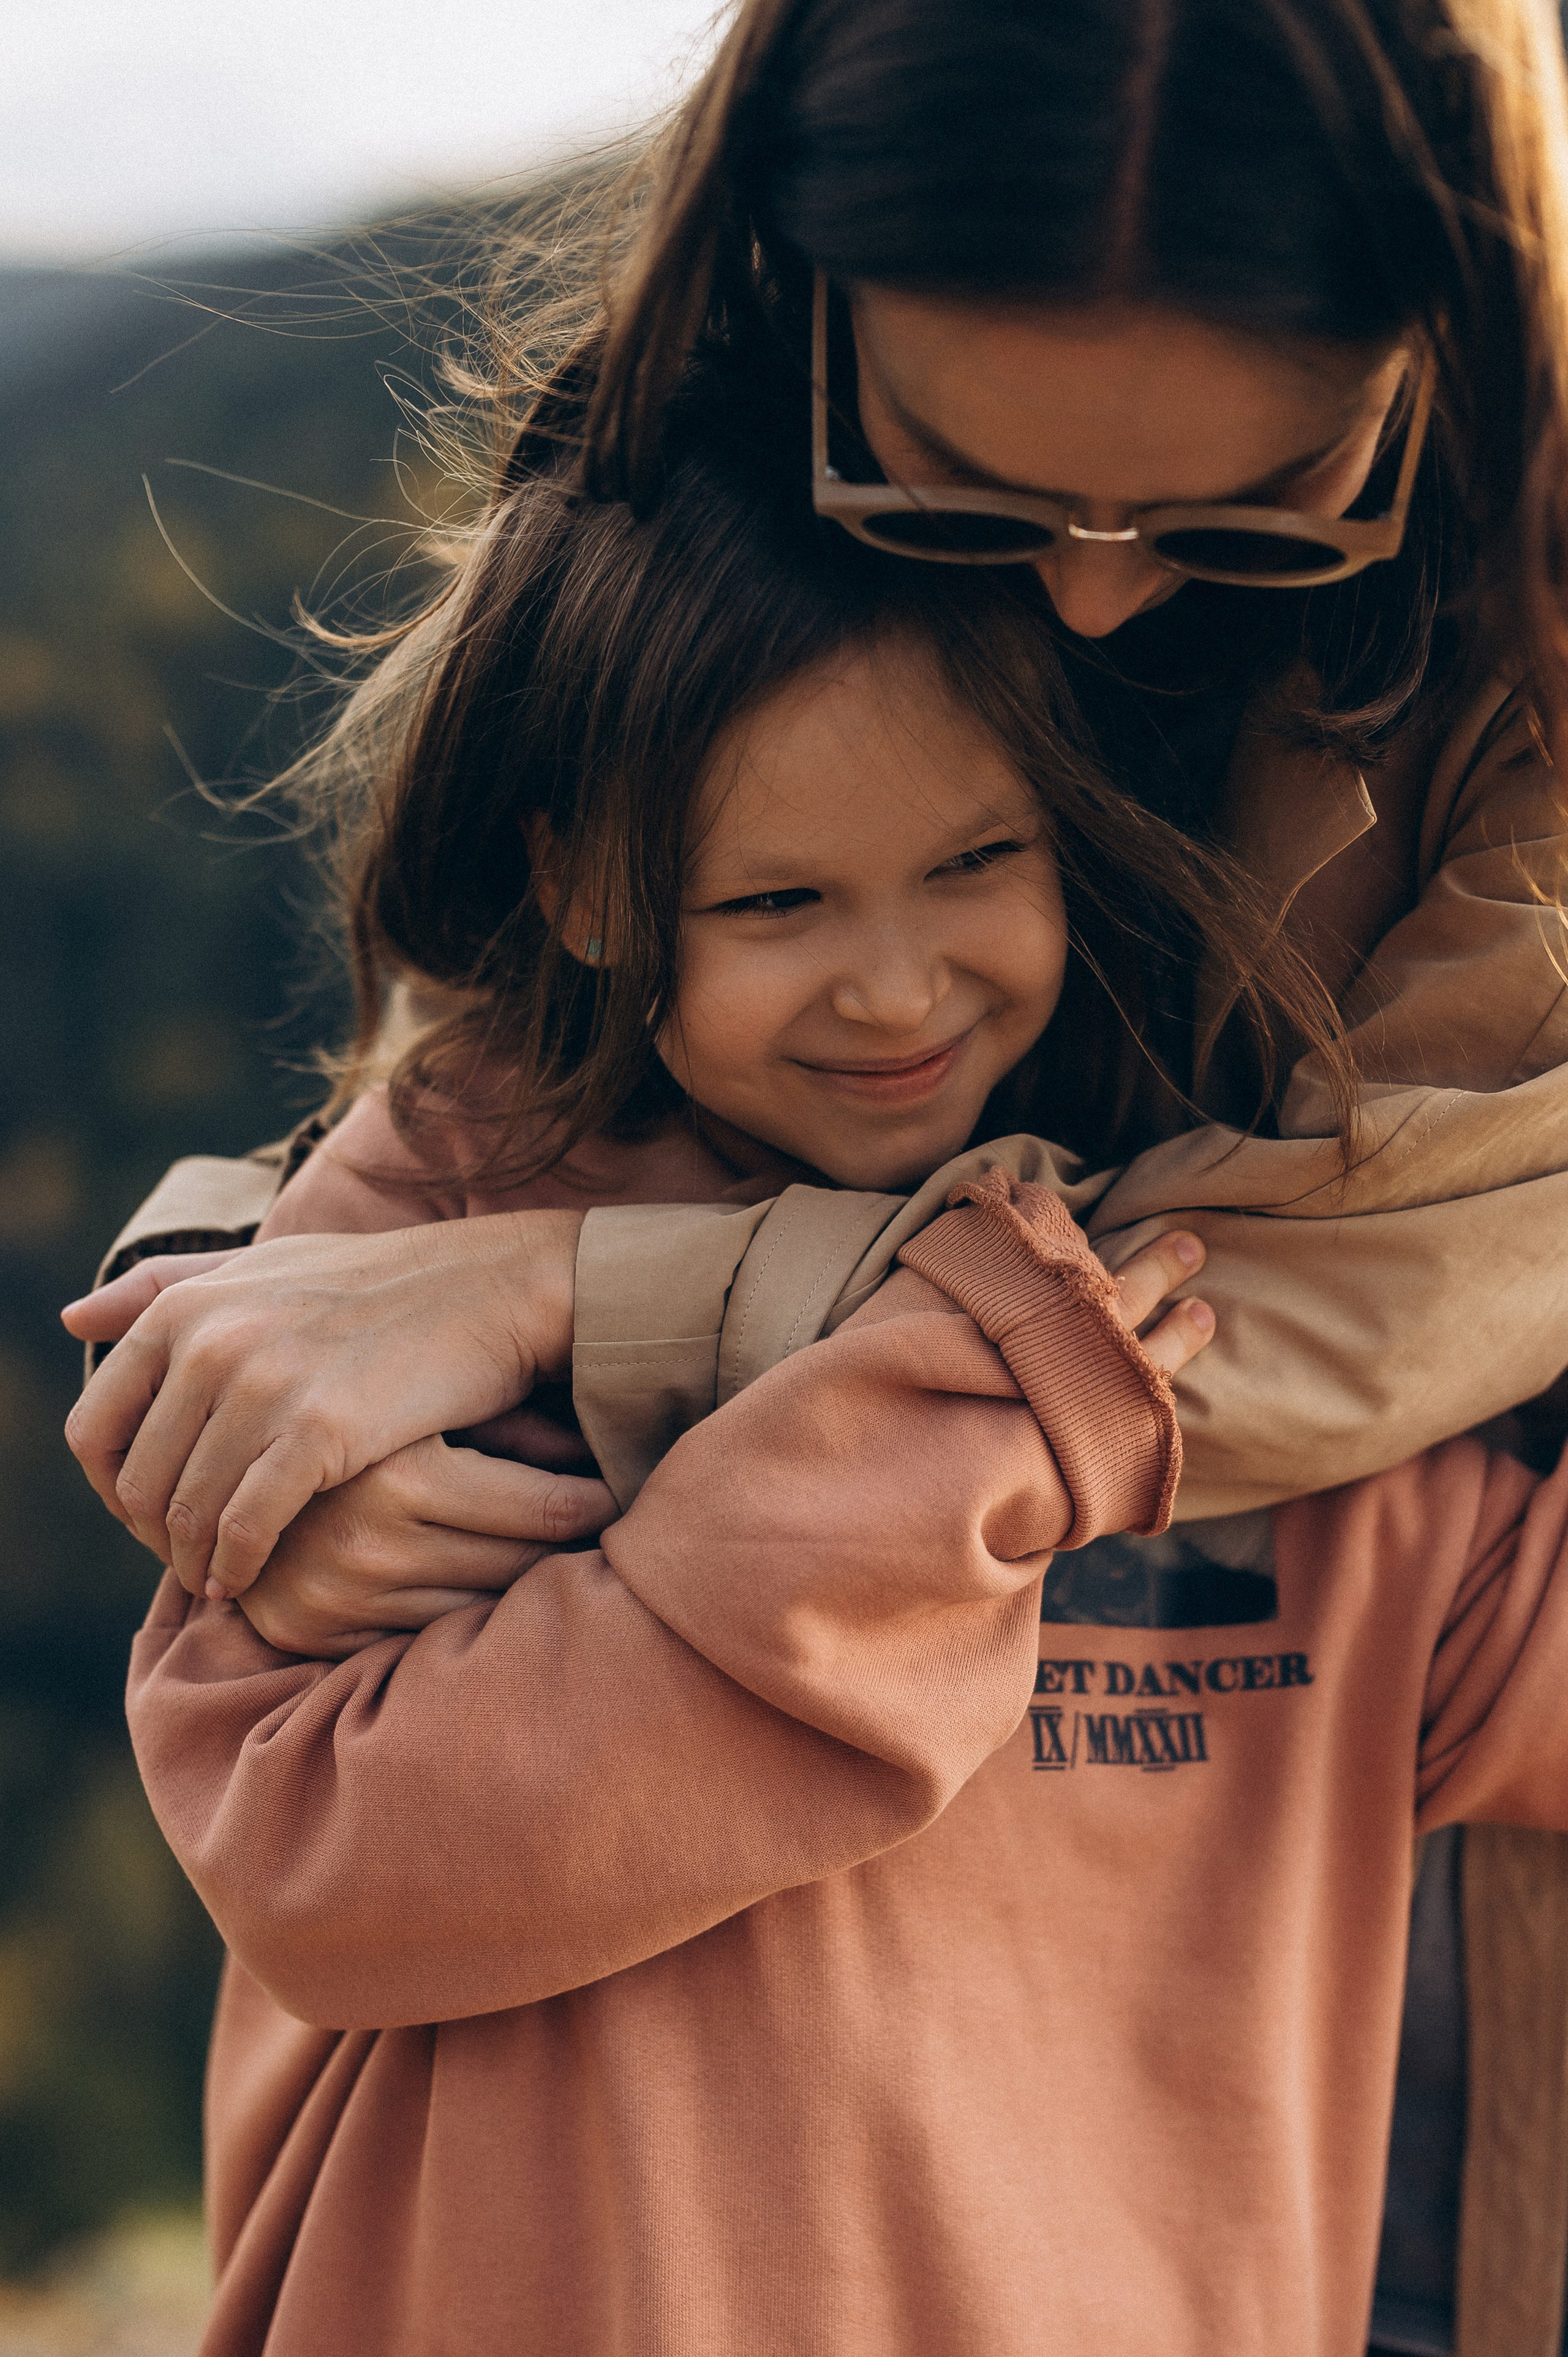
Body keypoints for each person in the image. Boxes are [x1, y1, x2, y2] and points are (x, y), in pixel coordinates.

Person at [62, 3, 1568, 2349]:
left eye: (977, 863)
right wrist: (946, 1410)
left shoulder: (1269, 1307)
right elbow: (330, 1857)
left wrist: (901, 1364)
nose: (892, 987)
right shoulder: (473, 1171)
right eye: (776, 906)